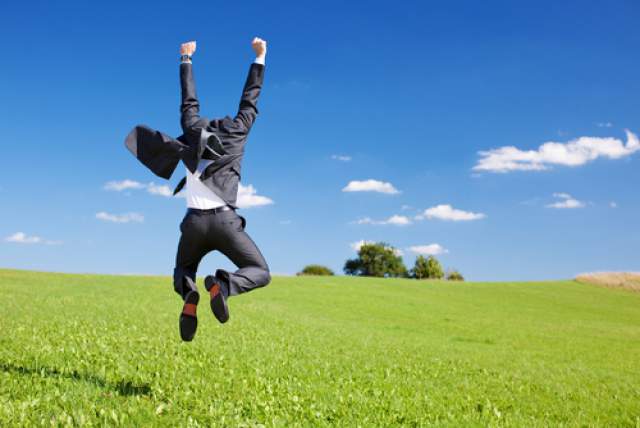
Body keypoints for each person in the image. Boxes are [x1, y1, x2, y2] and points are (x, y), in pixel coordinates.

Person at [124, 38, 271, 341]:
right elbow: (249, 100)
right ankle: (224, 286)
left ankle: (190, 293)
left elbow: (188, 102)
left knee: (183, 270)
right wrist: (260, 58)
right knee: (259, 271)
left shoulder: (193, 132)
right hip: (225, 223)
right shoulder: (238, 131)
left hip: (193, 224)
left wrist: (185, 59)